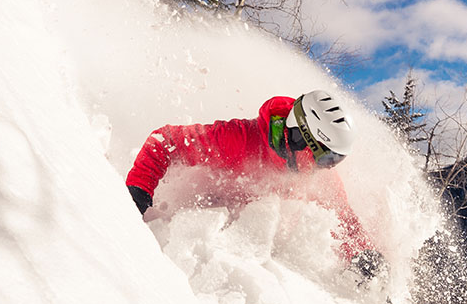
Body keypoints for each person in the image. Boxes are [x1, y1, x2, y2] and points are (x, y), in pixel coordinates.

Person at [125, 89, 385, 279]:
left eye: (334, 161)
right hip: (191, 240)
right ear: (299, 137)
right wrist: (139, 191)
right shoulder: (238, 141)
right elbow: (164, 140)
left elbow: (342, 216)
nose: (326, 168)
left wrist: (363, 253)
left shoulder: (316, 176)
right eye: (326, 157)